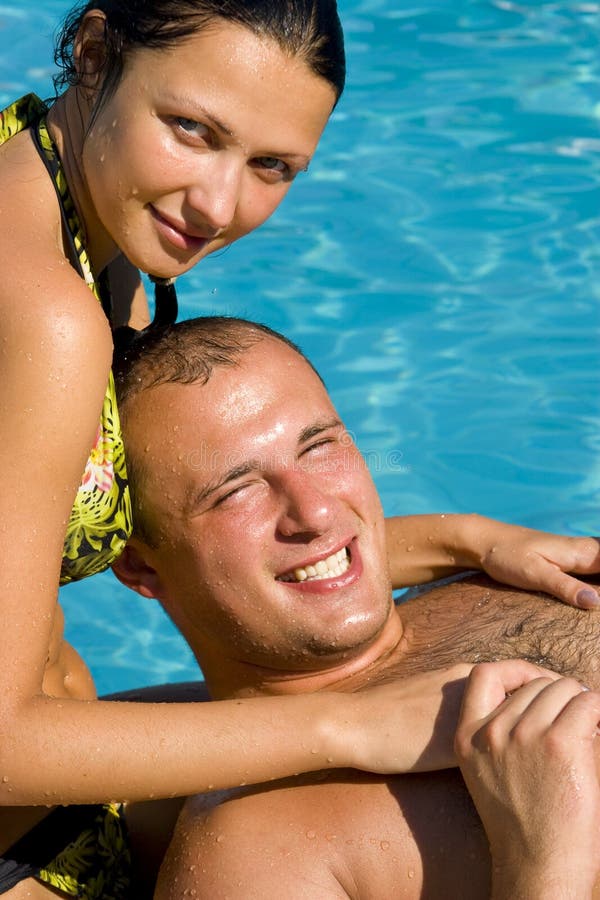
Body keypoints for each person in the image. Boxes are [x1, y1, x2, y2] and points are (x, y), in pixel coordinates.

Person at [0, 1, 597, 894]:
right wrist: (349, 728)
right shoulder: (44, 314)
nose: (218, 204)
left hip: (78, 775)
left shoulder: (75, 199)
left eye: (272, 165)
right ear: (92, 52)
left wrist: (464, 537)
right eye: (192, 131)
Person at [105, 316, 600, 898]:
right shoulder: (255, 853)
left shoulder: (506, 577)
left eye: (319, 446)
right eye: (235, 491)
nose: (315, 513)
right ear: (141, 566)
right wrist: (545, 862)